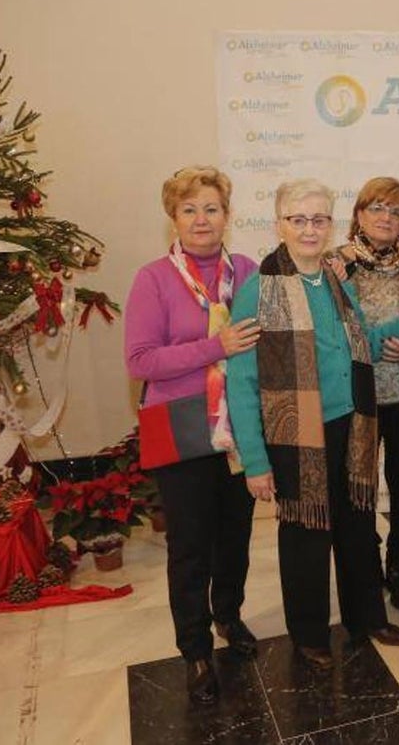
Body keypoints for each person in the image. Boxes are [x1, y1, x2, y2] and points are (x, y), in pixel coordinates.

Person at [226, 178, 399, 670]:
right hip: (297, 433)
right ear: (279, 224)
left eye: (319, 219)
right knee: (305, 534)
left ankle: (368, 618)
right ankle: (309, 634)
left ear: (330, 223)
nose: (309, 229)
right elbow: (241, 381)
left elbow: (364, 341)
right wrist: (255, 462)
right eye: (298, 219)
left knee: (357, 528)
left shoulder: (335, 281)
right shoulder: (259, 289)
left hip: (351, 425)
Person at [125, 165, 260, 706]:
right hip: (180, 426)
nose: (201, 219)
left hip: (239, 424)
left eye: (211, 208)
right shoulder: (153, 279)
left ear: (227, 215)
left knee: (236, 535)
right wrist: (215, 347)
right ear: (174, 218)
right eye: (189, 210)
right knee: (190, 547)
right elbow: (140, 361)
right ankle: (195, 649)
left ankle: (229, 615)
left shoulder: (247, 271)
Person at [332, 177, 399, 610]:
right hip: (354, 398)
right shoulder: (335, 266)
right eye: (376, 207)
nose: (385, 217)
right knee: (357, 490)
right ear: (359, 214)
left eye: (395, 211)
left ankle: (398, 565)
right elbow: (335, 333)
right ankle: (369, 564)